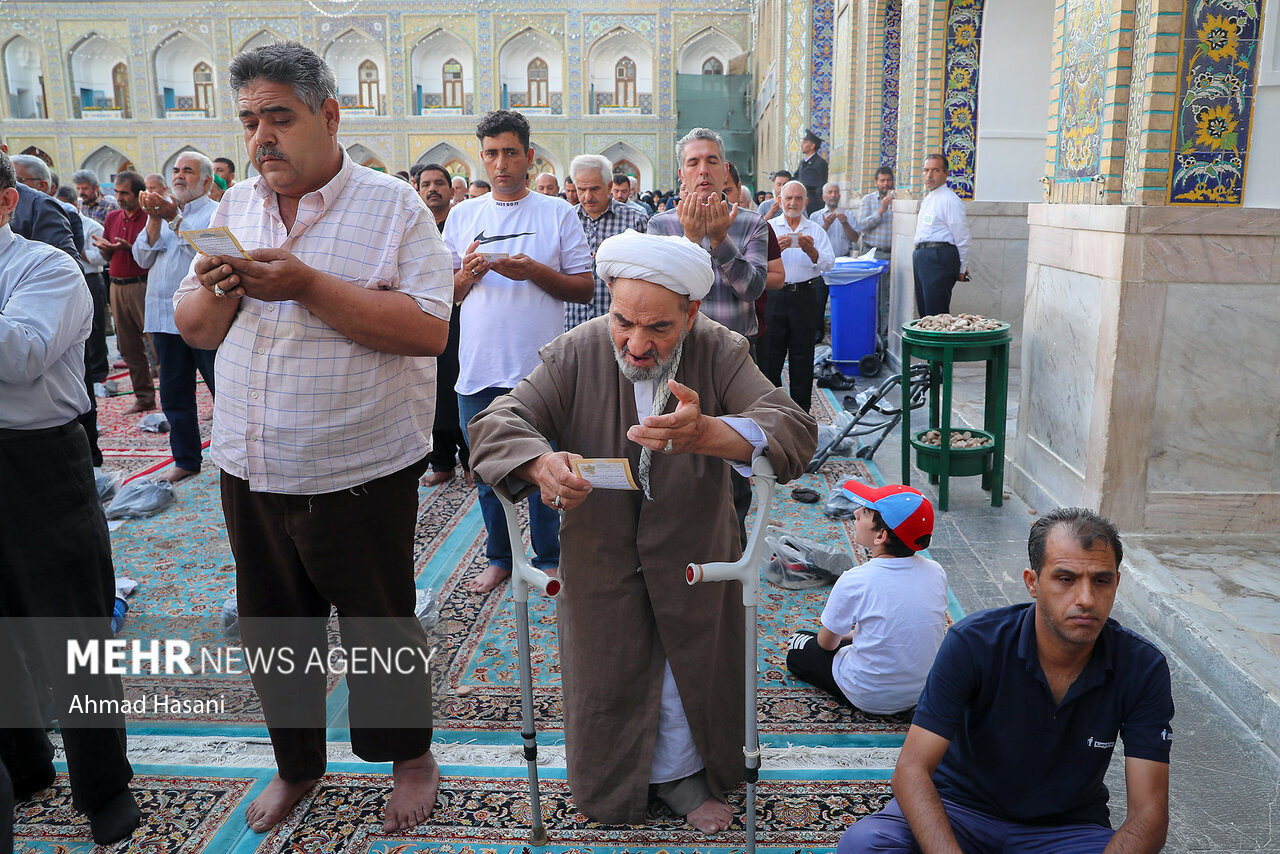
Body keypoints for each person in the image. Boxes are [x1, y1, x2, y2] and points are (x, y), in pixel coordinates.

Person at [171, 40, 451, 835]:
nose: (262, 138)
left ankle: (409, 758)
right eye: (251, 120)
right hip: (252, 464)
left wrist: (305, 285)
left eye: (280, 118)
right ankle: (297, 764)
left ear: (329, 115)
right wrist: (223, 293)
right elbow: (194, 325)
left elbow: (428, 330)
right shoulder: (236, 209)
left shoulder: (393, 208)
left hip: (357, 465)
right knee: (274, 629)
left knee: (378, 624)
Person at [468, 229, 817, 832]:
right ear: (608, 302)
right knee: (611, 667)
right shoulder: (575, 351)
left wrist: (709, 433)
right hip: (600, 550)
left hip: (693, 548)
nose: (636, 343)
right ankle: (615, 779)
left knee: (687, 674)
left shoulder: (720, 350)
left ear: (691, 313)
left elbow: (790, 427)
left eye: (657, 329)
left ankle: (682, 778)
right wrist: (538, 463)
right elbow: (498, 420)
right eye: (623, 321)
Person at [840, 507, 1174, 854]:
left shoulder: (1142, 667)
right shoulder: (974, 643)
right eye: (1065, 579)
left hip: (1066, 831)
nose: (1086, 599)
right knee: (865, 844)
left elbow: (1149, 812)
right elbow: (911, 770)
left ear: (1116, 583)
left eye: (1101, 580)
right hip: (960, 811)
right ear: (1033, 582)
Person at [0, 150, 141, 846]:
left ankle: (104, 786)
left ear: (5, 205)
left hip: (40, 467)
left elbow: (21, 356)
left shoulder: (42, 268)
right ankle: (23, 764)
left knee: (73, 631)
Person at [441, 108, 593, 594]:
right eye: (491, 154)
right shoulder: (465, 215)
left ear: (529, 156)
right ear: (480, 159)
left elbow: (584, 288)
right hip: (479, 368)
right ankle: (501, 556)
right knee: (487, 470)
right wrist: (466, 276)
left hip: (539, 370)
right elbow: (446, 293)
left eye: (510, 152)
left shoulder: (557, 212)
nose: (501, 163)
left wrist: (534, 273)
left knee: (549, 466)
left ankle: (550, 556)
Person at [648, 128, 769, 545]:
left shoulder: (752, 223)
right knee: (675, 453)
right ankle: (677, 544)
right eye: (694, 163)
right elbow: (660, 293)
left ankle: (730, 544)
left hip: (733, 362)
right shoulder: (660, 224)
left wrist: (719, 240)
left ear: (724, 170)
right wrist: (689, 240)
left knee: (734, 452)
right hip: (675, 357)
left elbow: (751, 289)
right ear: (682, 173)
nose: (704, 170)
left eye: (712, 161)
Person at [785, 483, 947, 714]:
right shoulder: (936, 571)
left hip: (866, 695)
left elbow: (826, 643)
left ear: (881, 535)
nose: (855, 512)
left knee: (799, 642)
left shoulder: (855, 579)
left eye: (866, 512)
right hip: (921, 692)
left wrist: (846, 637)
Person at [131, 151, 220, 482]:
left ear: (208, 182)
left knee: (221, 389)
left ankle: (234, 457)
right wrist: (155, 219)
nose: (180, 176)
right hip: (164, 318)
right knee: (174, 393)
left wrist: (172, 219)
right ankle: (186, 459)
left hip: (203, 318)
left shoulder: (214, 212)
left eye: (189, 171)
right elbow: (141, 257)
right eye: (177, 171)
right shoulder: (161, 213)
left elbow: (206, 251)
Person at [417, 162, 470, 488]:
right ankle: (441, 462)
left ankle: (469, 461)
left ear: (452, 190)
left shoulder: (463, 224)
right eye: (426, 184)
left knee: (459, 385)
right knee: (430, 388)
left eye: (439, 183)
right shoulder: (412, 225)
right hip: (422, 318)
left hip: (461, 320)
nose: (433, 188)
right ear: (418, 188)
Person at [763, 180, 833, 413]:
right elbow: (754, 263)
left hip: (804, 296)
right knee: (770, 356)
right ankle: (773, 412)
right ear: (780, 201)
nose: (793, 203)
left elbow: (829, 263)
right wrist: (775, 251)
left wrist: (811, 251)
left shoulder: (814, 230)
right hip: (774, 297)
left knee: (802, 355)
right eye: (788, 198)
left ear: (806, 202)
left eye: (798, 198)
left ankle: (801, 414)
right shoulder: (769, 228)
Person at [94, 171, 156, 413]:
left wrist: (127, 248)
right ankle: (144, 397)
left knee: (156, 343)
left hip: (142, 285)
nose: (118, 197)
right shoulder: (113, 217)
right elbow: (107, 255)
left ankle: (175, 397)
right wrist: (106, 249)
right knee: (129, 346)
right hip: (116, 286)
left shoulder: (150, 219)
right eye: (116, 192)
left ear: (138, 194)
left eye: (124, 193)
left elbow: (149, 254)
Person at [565, 152, 648, 330]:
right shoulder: (564, 220)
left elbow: (647, 274)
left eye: (594, 189)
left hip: (619, 326)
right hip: (572, 324)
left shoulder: (634, 220)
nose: (587, 197)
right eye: (581, 189)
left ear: (609, 185)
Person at [912, 153, 971, 316]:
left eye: (935, 170)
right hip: (922, 256)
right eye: (926, 170)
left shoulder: (950, 200)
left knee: (936, 312)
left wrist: (962, 267)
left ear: (945, 173)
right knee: (925, 311)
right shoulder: (928, 199)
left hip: (938, 256)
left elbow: (962, 236)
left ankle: (938, 342)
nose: (929, 175)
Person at [857, 165, 896, 345]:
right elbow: (862, 225)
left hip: (892, 256)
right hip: (872, 254)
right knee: (872, 296)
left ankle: (885, 335)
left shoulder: (897, 201)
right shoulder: (868, 200)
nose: (885, 183)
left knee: (887, 298)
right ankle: (870, 334)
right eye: (882, 180)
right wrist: (880, 210)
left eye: (888, 180)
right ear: (876, 182)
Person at [811, 182, 856, 259]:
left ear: (839, 196)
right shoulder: (815, 216)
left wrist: (845, 223)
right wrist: (826, 225)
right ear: (823, 197)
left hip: (844, 259)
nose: (833, 195)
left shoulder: (848, 214)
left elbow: (855, 239)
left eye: (836, 192)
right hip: (822, 259)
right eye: (830, 192)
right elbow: (812, 241)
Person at [794, 129, 828, 214]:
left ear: (812, 146)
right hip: (802, 200)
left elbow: (820, 185)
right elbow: (795, 178)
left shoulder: (820, 162)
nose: (802, 145)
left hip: (813, 203)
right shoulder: (803, 162)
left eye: (805, 142)